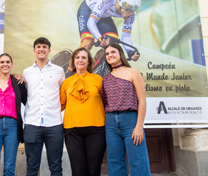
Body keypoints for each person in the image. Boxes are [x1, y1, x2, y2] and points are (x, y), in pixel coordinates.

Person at [102, 43, 151, 176]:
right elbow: (105, 102)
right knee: (114, 161)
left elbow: (142, 101)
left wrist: (139, 126)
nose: (110, 55)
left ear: (120, 54)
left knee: (138, 159)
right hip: (111, 122)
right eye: (107, 54)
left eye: (113, 52)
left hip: (130, 120)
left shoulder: (133, 72)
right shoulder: (106, 78)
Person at [22, 37, 65, 176]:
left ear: (49, 50)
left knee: (56, 166)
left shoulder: (59, 71)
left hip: (54, 124)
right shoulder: (26, 72)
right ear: (34, 50)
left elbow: (64, 95)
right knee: (32, 167)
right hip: (32, 123)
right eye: (39, 46)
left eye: (44, 47)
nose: (41, 49)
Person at [60, 47, 106, 176]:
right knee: (78, 170)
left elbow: (106, 102)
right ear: (73, 62)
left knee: (94, 169)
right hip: (72, 130)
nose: (80, 60)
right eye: (77, 57)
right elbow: (61, 105)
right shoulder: (66, 82)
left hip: (96, 129)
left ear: (89, 62)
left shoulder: (98, 79)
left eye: (84, 57)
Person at [77, 0, 141, 62]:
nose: (131, 13)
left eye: (135, 9)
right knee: (88, 42)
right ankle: (70, 69)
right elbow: (91, 22)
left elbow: (126, 36)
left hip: (104, 16)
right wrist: (100, 38)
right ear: (122, 4)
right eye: (131, 9)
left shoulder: (131, 14)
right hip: (87, 11)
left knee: (114, 46)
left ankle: (94, 65)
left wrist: (130, 51)